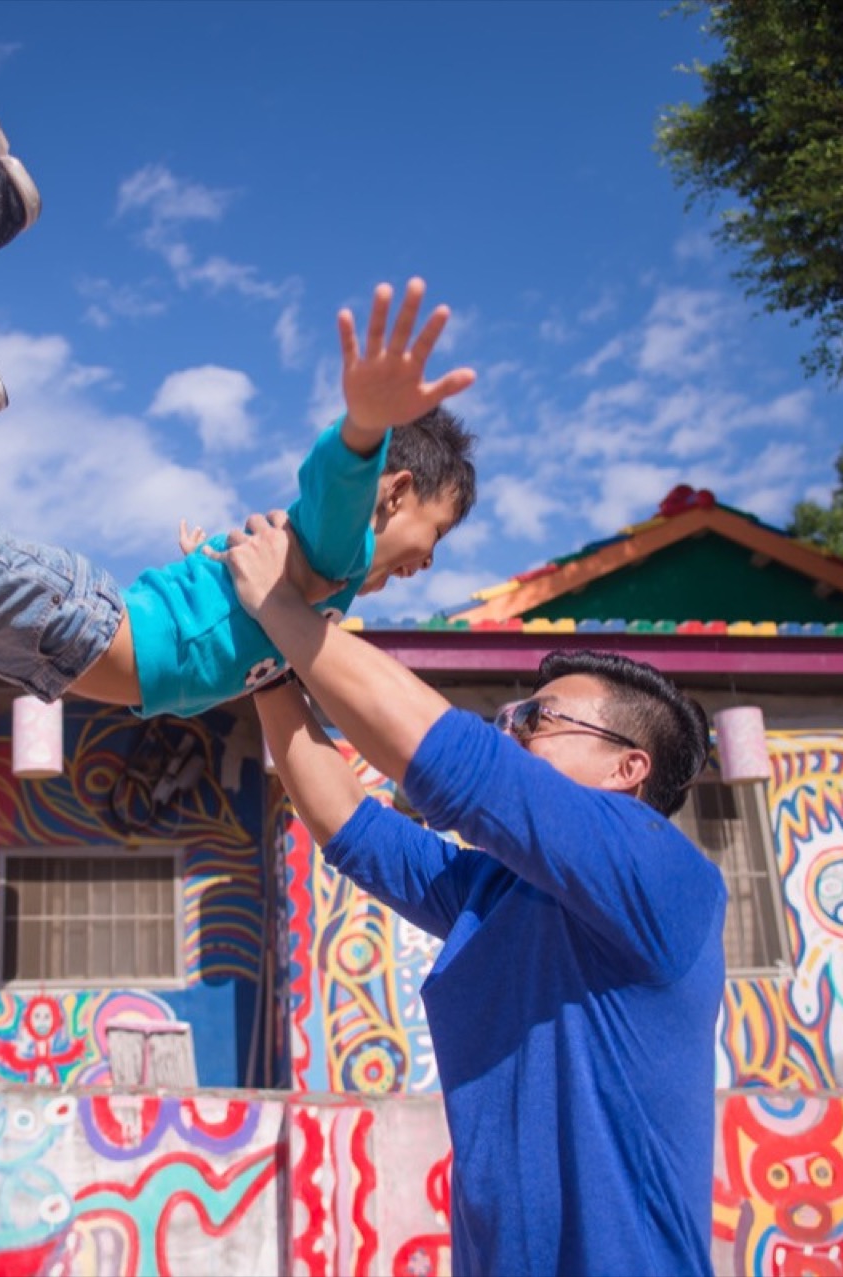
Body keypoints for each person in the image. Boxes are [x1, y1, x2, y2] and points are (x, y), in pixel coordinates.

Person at [0, 45, 477, 721]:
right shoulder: (346, 550)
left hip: (46, 654)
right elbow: (337, 490)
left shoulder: (315, 592)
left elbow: (237, 613)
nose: (427, 564)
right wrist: (365, 428)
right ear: (395, 491)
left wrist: (206, 560)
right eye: (438, 532)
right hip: (74, 625)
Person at [215, 512, 726, 1276]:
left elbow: (461, 765)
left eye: (539, 719)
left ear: (629, 768)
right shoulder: (500, 891)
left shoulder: (664, 873)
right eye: (512, 717)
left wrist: (282, 611)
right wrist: (268, 667)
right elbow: (354, 830)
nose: (513, 731)